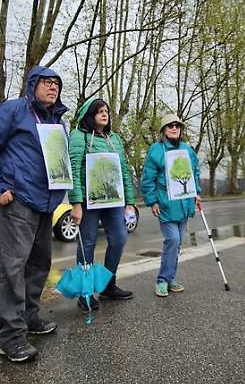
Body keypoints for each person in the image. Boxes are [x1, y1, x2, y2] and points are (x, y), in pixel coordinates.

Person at [0, 66, 69, 363]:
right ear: (32, 85)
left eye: (57, 84)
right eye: (47, 83)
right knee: (12, 268)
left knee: (40, 264)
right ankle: (11, 337)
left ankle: (29, 318)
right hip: (19, 201)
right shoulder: (14, 110)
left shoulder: (58, 122)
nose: (53, 88)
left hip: (46, 204)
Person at [67, 98, 137, 309]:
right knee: (87, 243)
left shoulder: (114, 139)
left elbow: (124, 169)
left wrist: (130, 202)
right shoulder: (78, 136)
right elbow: (73, 168)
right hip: (89, 201)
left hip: (113, 200)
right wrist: (76, 202)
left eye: (106, 111)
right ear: (90, 115)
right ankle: (85, 292)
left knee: (119, 238)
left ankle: (108, 285)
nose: (105, 114)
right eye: (99, 111)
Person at [140, 114, 202, 297]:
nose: (174, 128)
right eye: (170, 126)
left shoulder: (187, 150)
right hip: (166, 205)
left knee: (178, 243)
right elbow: (148, 179)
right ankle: (162, 279)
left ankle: (170, 278)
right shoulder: (156, 150)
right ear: (163, 131)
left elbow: (194, 173)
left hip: (184, 204)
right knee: (172, 240)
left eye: (177, 126)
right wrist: (152, 201)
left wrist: (196, 192)